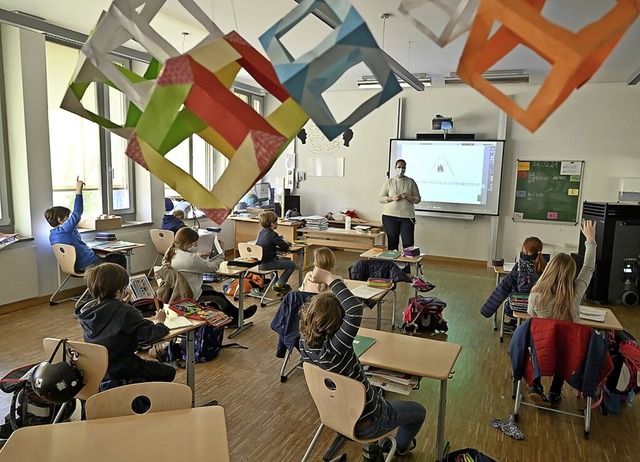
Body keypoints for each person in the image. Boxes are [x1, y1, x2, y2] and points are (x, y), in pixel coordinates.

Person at [299, 268, 426, 458]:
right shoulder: (337, 349)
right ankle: (400, 447)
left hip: (333, 416)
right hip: (369, 422)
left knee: (371, 390)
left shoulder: (304, 344)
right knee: (419, 411)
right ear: (340, 326)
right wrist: (328, 277)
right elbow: (354, 309)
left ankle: (371, 448)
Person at [526, 220, 597, 406]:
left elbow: (530, 318)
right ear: (571, 274)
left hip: (541, 351)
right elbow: (589, 267)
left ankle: (536, 384)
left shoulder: (536, 295)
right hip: (569, 355)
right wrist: (590, 240)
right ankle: (555, 392)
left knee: (536, 341)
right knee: (564, 348)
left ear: (548, 270)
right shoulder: (575, 293)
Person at [75, 263, 175, 382]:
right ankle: (132, 391)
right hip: (124, 367)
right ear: (118, 290)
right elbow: (153, 334)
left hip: (102, 369)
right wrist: (160, 320)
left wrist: (122, 303)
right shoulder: (124, 311)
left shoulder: (87, 312)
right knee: (169, 372)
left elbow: (111, 315)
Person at [163, 227, 257, 321]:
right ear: (187, 244)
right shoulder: (190, 259)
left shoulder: (171, 252)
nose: (196, 246)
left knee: (210, 289)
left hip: (176, 290)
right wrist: (221, 255)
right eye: (195, 244)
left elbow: (187, 262)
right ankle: (239, 316)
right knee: (219, 297)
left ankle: (222, 317)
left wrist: (197, 257)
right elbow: (213, 268)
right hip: (188, 293)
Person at [45, 177, 126, 272]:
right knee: (120, 258)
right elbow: (77, 212)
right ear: (60, 220)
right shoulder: (65, 230)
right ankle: (119, 285)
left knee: (105, 255)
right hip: (89, 264)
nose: (70, 219)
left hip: (73, 266)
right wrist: (78, 190)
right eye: (68, 217)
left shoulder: (53, 235)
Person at [480, 237, 547, 331]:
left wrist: (487, 309)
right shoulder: (546, 267)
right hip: (539, 308)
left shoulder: (519, 267)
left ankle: (513, 323)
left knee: (510, 294)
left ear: (525, 251)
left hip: (518, 305)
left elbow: (504, 287)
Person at [379, 159, 421, 253]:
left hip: (407, 217)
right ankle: (393, 266)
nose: (401, 169)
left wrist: (408, 197)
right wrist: (391, 198)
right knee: (393, 242)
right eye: (399, 167)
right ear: (395, 168)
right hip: (390, 216)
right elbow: (381, 198)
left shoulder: (410, 182)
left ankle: (406, 266)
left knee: (408, 243)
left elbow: (418, 199)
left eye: (403, 167)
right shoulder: (389, 182)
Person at [256, 211, 296, 295]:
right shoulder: (273, 234)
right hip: (267, 264)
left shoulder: (261, 232)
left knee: (275, 260)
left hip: (258, 263)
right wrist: (284, 242)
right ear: (271, 224)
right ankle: (279, 284)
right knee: (292, 265)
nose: (277, 224)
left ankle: (274, 284)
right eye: (275, 222)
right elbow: (285, 247)